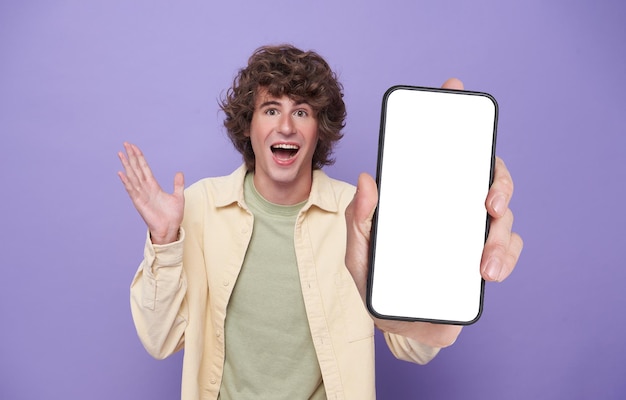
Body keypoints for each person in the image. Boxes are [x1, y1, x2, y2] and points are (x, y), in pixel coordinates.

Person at [117, 44, 523, 400]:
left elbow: (414, 348)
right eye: (271, 109)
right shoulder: (200, 206)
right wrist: (165, 238)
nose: (286, 125)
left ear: (318, 130)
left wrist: (448, 231)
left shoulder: (359, 213)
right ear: (249, 125)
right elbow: (161, 340)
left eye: (302, 111)